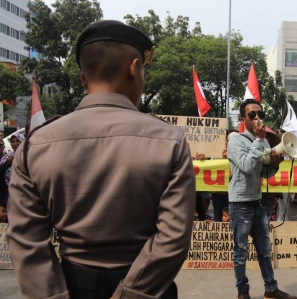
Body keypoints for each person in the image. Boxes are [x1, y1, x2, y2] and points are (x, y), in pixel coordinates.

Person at [7, 20, 196, 299]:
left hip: (70, 286)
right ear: (134, 68)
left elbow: (26, 240)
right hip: (150, 290)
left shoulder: (37, 144)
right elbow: (174, 238)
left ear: (84, 79)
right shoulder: (169, 140)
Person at [228, 99, 295, 299]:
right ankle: (243, 290)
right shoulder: (236, 141)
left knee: (265, 251)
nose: (257, 118)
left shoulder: (264, 141)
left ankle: (271, 288)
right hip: (240, 204)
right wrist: (258, 141)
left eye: (260, 114)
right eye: (252, 115)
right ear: (243, 120)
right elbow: (247, 166)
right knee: (240, 252)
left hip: (257, 202)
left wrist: (275, 165)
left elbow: (264, 174)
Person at [0, 134, 24, 207]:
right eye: (13, 142)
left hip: (24, 191)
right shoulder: (6, 157)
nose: (15, 143)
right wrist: (7, 162)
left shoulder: (28, 155)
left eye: (17, 141)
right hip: (9, 191)